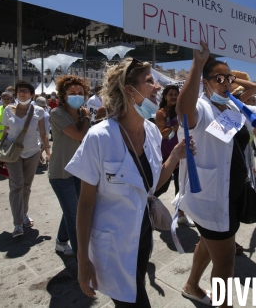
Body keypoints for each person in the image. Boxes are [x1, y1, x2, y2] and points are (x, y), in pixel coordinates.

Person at [67, 58, 193, 307]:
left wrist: (176, 156)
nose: (157, 87)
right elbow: (86, 203)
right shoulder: (100, 136)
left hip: (142, 235)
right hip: (111, 243)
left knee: (135, 288)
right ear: (129, 90)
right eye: (149, 81)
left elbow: (152, 185)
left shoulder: (153, 132)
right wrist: (82, 257)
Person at [176, 42, 256, 307]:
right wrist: (197, 64)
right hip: (210, 197)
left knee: (208, 243)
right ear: (205, 82)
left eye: (229, 78)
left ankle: (191, 284)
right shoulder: (201, 108)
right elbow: (184, 113)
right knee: (225, 261)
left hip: (231, 194)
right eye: (219, 79)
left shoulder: (235, 108)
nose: (226, 83)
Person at [48, 75, 91, 257]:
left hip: (78, 171)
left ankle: (61, 242)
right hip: (61, 172)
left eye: (80, 93)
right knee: (75, 217)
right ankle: (82, 260)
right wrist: (88, 119)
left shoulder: (82, 113)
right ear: (63, 95)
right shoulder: (57, 114)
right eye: (72, 93)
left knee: (72, 210)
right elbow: (80, 136)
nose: (76, 96)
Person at [2, 81, 48, 238]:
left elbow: (43, 133)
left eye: (25, 91)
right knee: (16, 186)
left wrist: (47, 151)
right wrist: (0, 153)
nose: (22, 93)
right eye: (20, 91)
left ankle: (24, 213)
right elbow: (6, 131)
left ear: (32, 94)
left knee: (27, 186)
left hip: (32, 152)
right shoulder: (8, 110)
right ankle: (17, 223)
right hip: (13, 153)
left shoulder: (39, 111)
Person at [154, 84, 195, 227]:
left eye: (176, 94)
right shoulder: (161, 113)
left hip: (181, 154)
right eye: (170, 94)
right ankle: (147, 205)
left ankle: (181, 215)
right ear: (165, 97)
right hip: (167, 155)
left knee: (181, 186)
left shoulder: (181, 111)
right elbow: (161, 134)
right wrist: (176, 125)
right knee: (162, 186)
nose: (173, 97)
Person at [35, 97, 51, 167]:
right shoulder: (36, 110)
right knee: (39, 145)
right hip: (39, 131)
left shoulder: (47, 108)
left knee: (44, 145)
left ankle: (40, 155)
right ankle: (37, 160)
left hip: (46, 129)